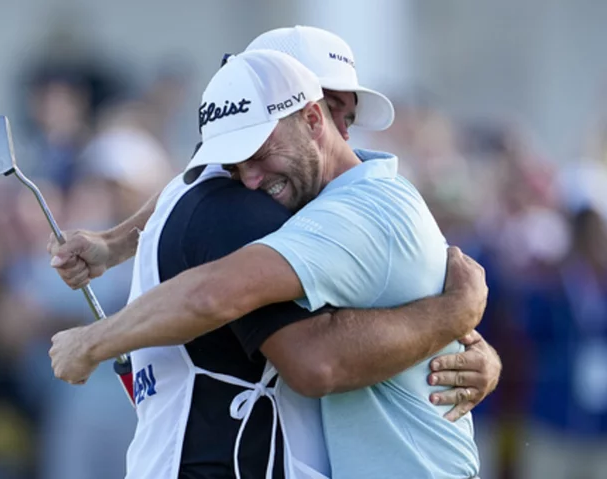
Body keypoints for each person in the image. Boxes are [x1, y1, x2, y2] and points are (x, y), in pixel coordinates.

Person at [50, 49, 492, 478]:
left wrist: (91, 344)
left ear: (313, 118)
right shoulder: (333, 201)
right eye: (236, 164)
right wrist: (113, 244)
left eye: (259, 154)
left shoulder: (355, 212)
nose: (250, 180)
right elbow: (196, 194)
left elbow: (219, 298)